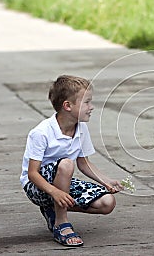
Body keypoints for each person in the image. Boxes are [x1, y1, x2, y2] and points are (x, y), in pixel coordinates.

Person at [20, 75, 123, 247]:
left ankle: (52, 208)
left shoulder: (81, 129)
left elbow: (84, 163)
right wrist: (55, 192)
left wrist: (106, 181)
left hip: (62, 183)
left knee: (107, 203)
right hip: (37, 187)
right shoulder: (42, 132)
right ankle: (61, 224)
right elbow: (32, 174)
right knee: (67, 163)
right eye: (87, 102)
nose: (92, 107)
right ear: (67, 106)